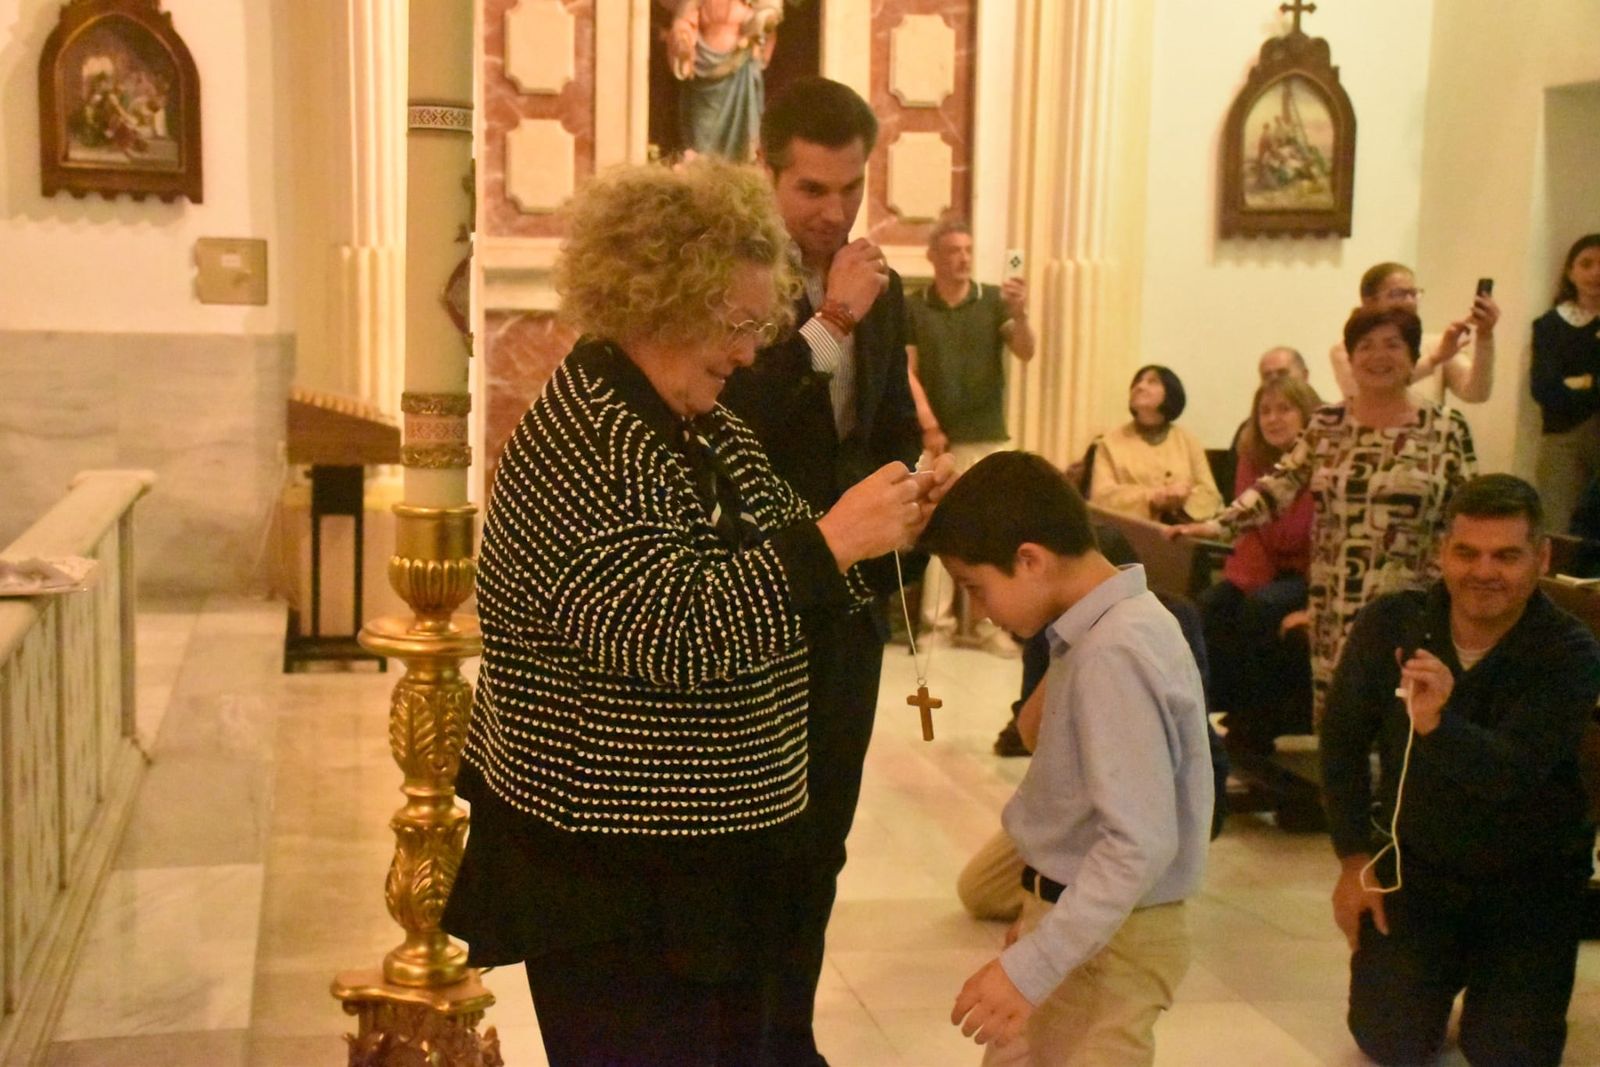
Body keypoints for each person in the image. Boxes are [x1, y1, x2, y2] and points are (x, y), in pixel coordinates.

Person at [439, 159, 946, 1064]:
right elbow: (675, 632)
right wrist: (832, 542)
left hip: (702, 863)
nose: (750, 352)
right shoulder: (586, 438)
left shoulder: (695, 419)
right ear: (660, 304)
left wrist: (882, 525)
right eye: (738, 324)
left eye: (758, 324)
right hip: (616, 873)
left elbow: (782, 538)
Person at [719, 76, 933, 1064]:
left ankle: (790, 1036)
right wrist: (831, 321)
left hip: (849, 604)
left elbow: (888, 425)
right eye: (811, 187)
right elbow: (731, 421)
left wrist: (901, 505)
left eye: (851, 187)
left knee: (823, 832)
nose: (834, 210)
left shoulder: (878, 284)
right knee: (755, 839)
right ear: (766, 171)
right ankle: (739, 1036)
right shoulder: (728, 276)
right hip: (758, 589)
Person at [921, 451, 1213, 1062]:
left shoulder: (1115, 650)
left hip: (1117, 941)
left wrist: (1040, 960)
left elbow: (1138, 843)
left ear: (1030, 559)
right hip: (1084, 920)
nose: (981, 610)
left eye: (976, 588)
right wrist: (1041, 915)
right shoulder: (1102, 629)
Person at [1321, 474, 1600, 1067]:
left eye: (1507, 556)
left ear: (1542, 558)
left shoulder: (1569, 651)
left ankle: (1507, 996)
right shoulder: (1392, 624)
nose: (1484, 572)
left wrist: (1437, 725)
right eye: (1467, 553)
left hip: (1530, 884)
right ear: (1443, 553)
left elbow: (1511, 775)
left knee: (1511, 1055)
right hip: (1420, 869)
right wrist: (1353, 864)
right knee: (1388, 1040)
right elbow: (1341, 742)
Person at [1173, 306, 1477, 727]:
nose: (1378, 356)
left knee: (1405, 725)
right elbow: (1278, 486)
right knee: (1341, 727)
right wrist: (1215, 525)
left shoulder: (1446, 427)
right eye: (1365, 346)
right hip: (1336, 601)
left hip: (1412, 604)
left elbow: (1466, 514)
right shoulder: (1327, 424)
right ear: (1350, 359)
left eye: (1392, 344)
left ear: (1412, 357)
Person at [906, 216, 1036, 647]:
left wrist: (1020, 315)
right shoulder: (915, 306)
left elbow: (1025, 350)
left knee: (993, 531)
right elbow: (907, 370)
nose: (962, 259)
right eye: (952, 251)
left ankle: (991, 624)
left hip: (985, 431)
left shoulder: (993, 300)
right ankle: (936, 625)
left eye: (967, 250)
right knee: (938, 526)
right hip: (937, 437)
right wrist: (928, 423)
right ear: (933, 257)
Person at [1200, 376, 1320, 753]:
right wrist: (1250, 582)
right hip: (1267, 566)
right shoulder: (1251, 457)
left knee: (1262, 608)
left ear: (1307, 414)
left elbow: (1311, 536)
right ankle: (1225, 708)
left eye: (1284, 409)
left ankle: (1262, 720)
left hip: (1313, 572)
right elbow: (1250, 530)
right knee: (1213, 604)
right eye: (1264, 411)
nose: (1273, 418)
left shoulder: (1323, 462)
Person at [1327, 260, 1500, 403]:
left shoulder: (1439, 344)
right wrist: (1434, 359)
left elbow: (1476, 393)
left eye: (1413, 293)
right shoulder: (1347, 349)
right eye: (1398, 294)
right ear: (1369, 302)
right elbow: (1362, 394)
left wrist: (1485, 336)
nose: (1410, 302)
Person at [1088, 364, 1223, 524]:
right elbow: (1101, 498)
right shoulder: (1109, 442)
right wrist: (1153, 498)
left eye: (1152, 382)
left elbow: (1210, 494)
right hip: (1128, 530)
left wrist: (1180, 504)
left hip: (1182, 529)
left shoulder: (1187, 440)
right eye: (1137, 382)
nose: (1140, 386)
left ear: (1170, 393)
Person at [1531, 233, 1600, 536]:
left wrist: (1581, 383)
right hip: (1564, 437)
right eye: (1586, 264)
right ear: (1570, 272)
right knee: (1558, 528)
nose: (1596, 273)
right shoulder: (1550, 325)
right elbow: (1545, 389)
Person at [665, 0, 783, 160]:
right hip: (703, 67)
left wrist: (764, 20)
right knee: (701, 133)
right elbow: (683, 21)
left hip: (739, 64)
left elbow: (763, 18)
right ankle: (701, 167)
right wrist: (683, 41)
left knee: (741, 129)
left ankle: (739, 165)